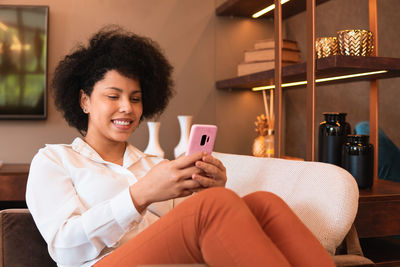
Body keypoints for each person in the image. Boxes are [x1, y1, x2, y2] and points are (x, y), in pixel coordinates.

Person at [26, 26, 335, 267]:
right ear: (84, 100)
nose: (127, 108)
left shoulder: (156, 166)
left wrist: (211, 190)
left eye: (135, 98)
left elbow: (192, 230)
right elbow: (66, 250)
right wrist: (139, 195)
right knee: (214, 207)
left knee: (264, 203)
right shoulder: (54, 161)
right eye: (113, 96)